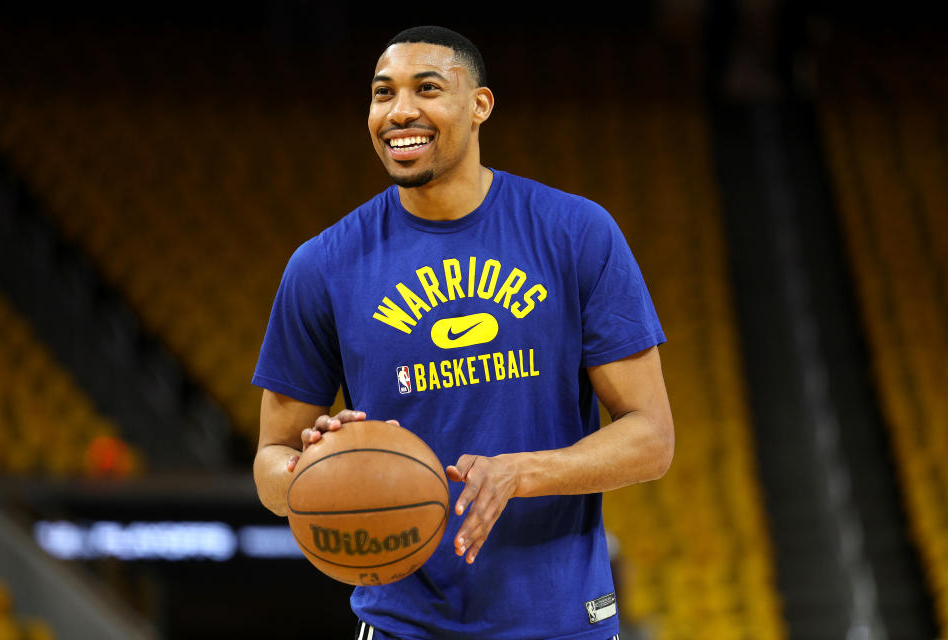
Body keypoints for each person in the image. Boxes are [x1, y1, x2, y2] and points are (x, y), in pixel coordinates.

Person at [252, 25, 674, 640]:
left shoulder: (576, 233)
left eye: (427, 88)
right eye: (381, 93)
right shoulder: (322, 266)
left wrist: (519, 472)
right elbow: (271, 462)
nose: (400, 112)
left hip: (560, 621)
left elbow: (651, 439)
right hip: (403, 625)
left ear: (480, 105)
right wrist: (316, 467)